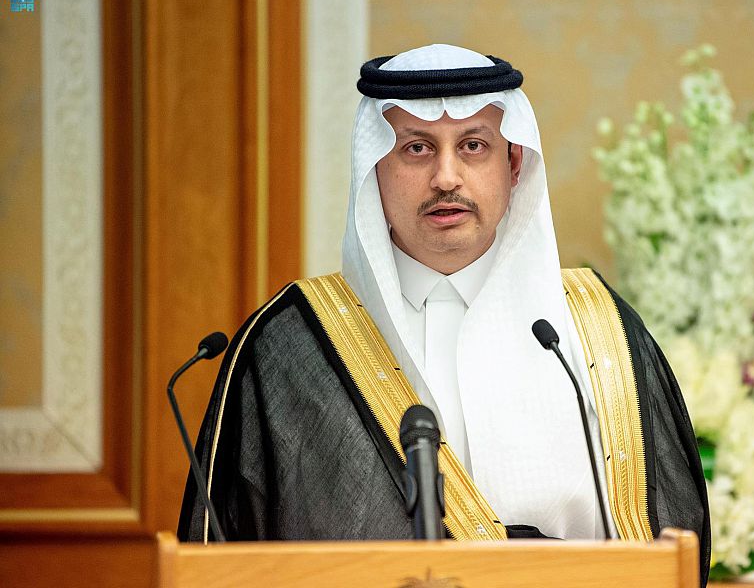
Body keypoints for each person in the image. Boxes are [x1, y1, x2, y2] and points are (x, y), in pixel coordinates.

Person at [179, 44, 710, 586]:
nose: (446, 177)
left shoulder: (597, 331)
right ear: (374, 169)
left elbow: (674, 542)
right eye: (417, 148)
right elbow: (223, 559)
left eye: (474, 146)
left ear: (514, 163)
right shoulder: (292, 345)